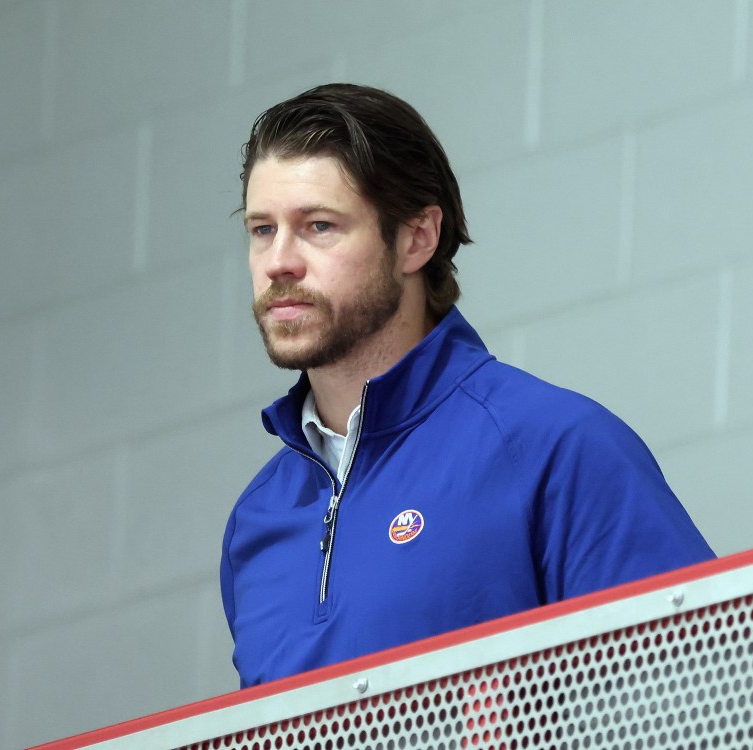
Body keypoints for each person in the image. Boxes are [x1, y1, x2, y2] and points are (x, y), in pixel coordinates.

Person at [219, 83, 714, 689]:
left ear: (418, 238)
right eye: (262, 229)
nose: (278, 261)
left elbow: (697, 698)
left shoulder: (552, 448)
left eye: (319, 225)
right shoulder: (257, 518)